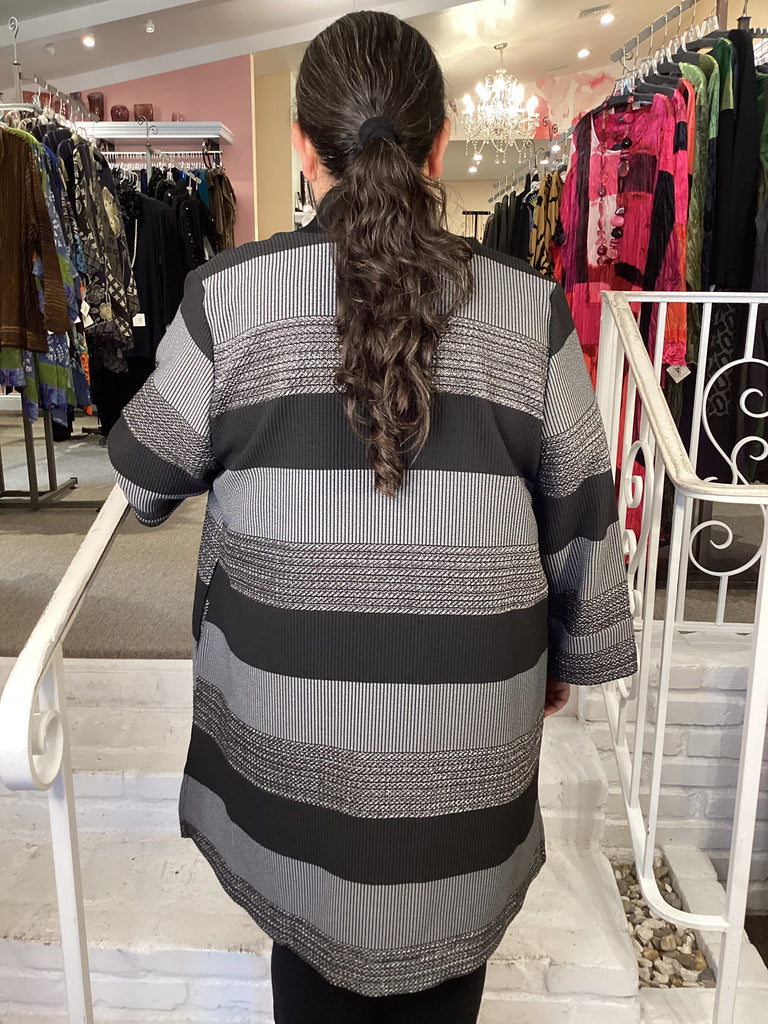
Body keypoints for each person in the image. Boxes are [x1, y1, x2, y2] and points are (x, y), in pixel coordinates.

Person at [108, 10, 638, 1024]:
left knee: (305, 947)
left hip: (291, 730)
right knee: (450, 972)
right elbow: (582, 515)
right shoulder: (529, 311)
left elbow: (143, 481)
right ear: (439, 149)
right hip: (469, 735)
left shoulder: (228, 300)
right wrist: (566, 654)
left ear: (305, 150)